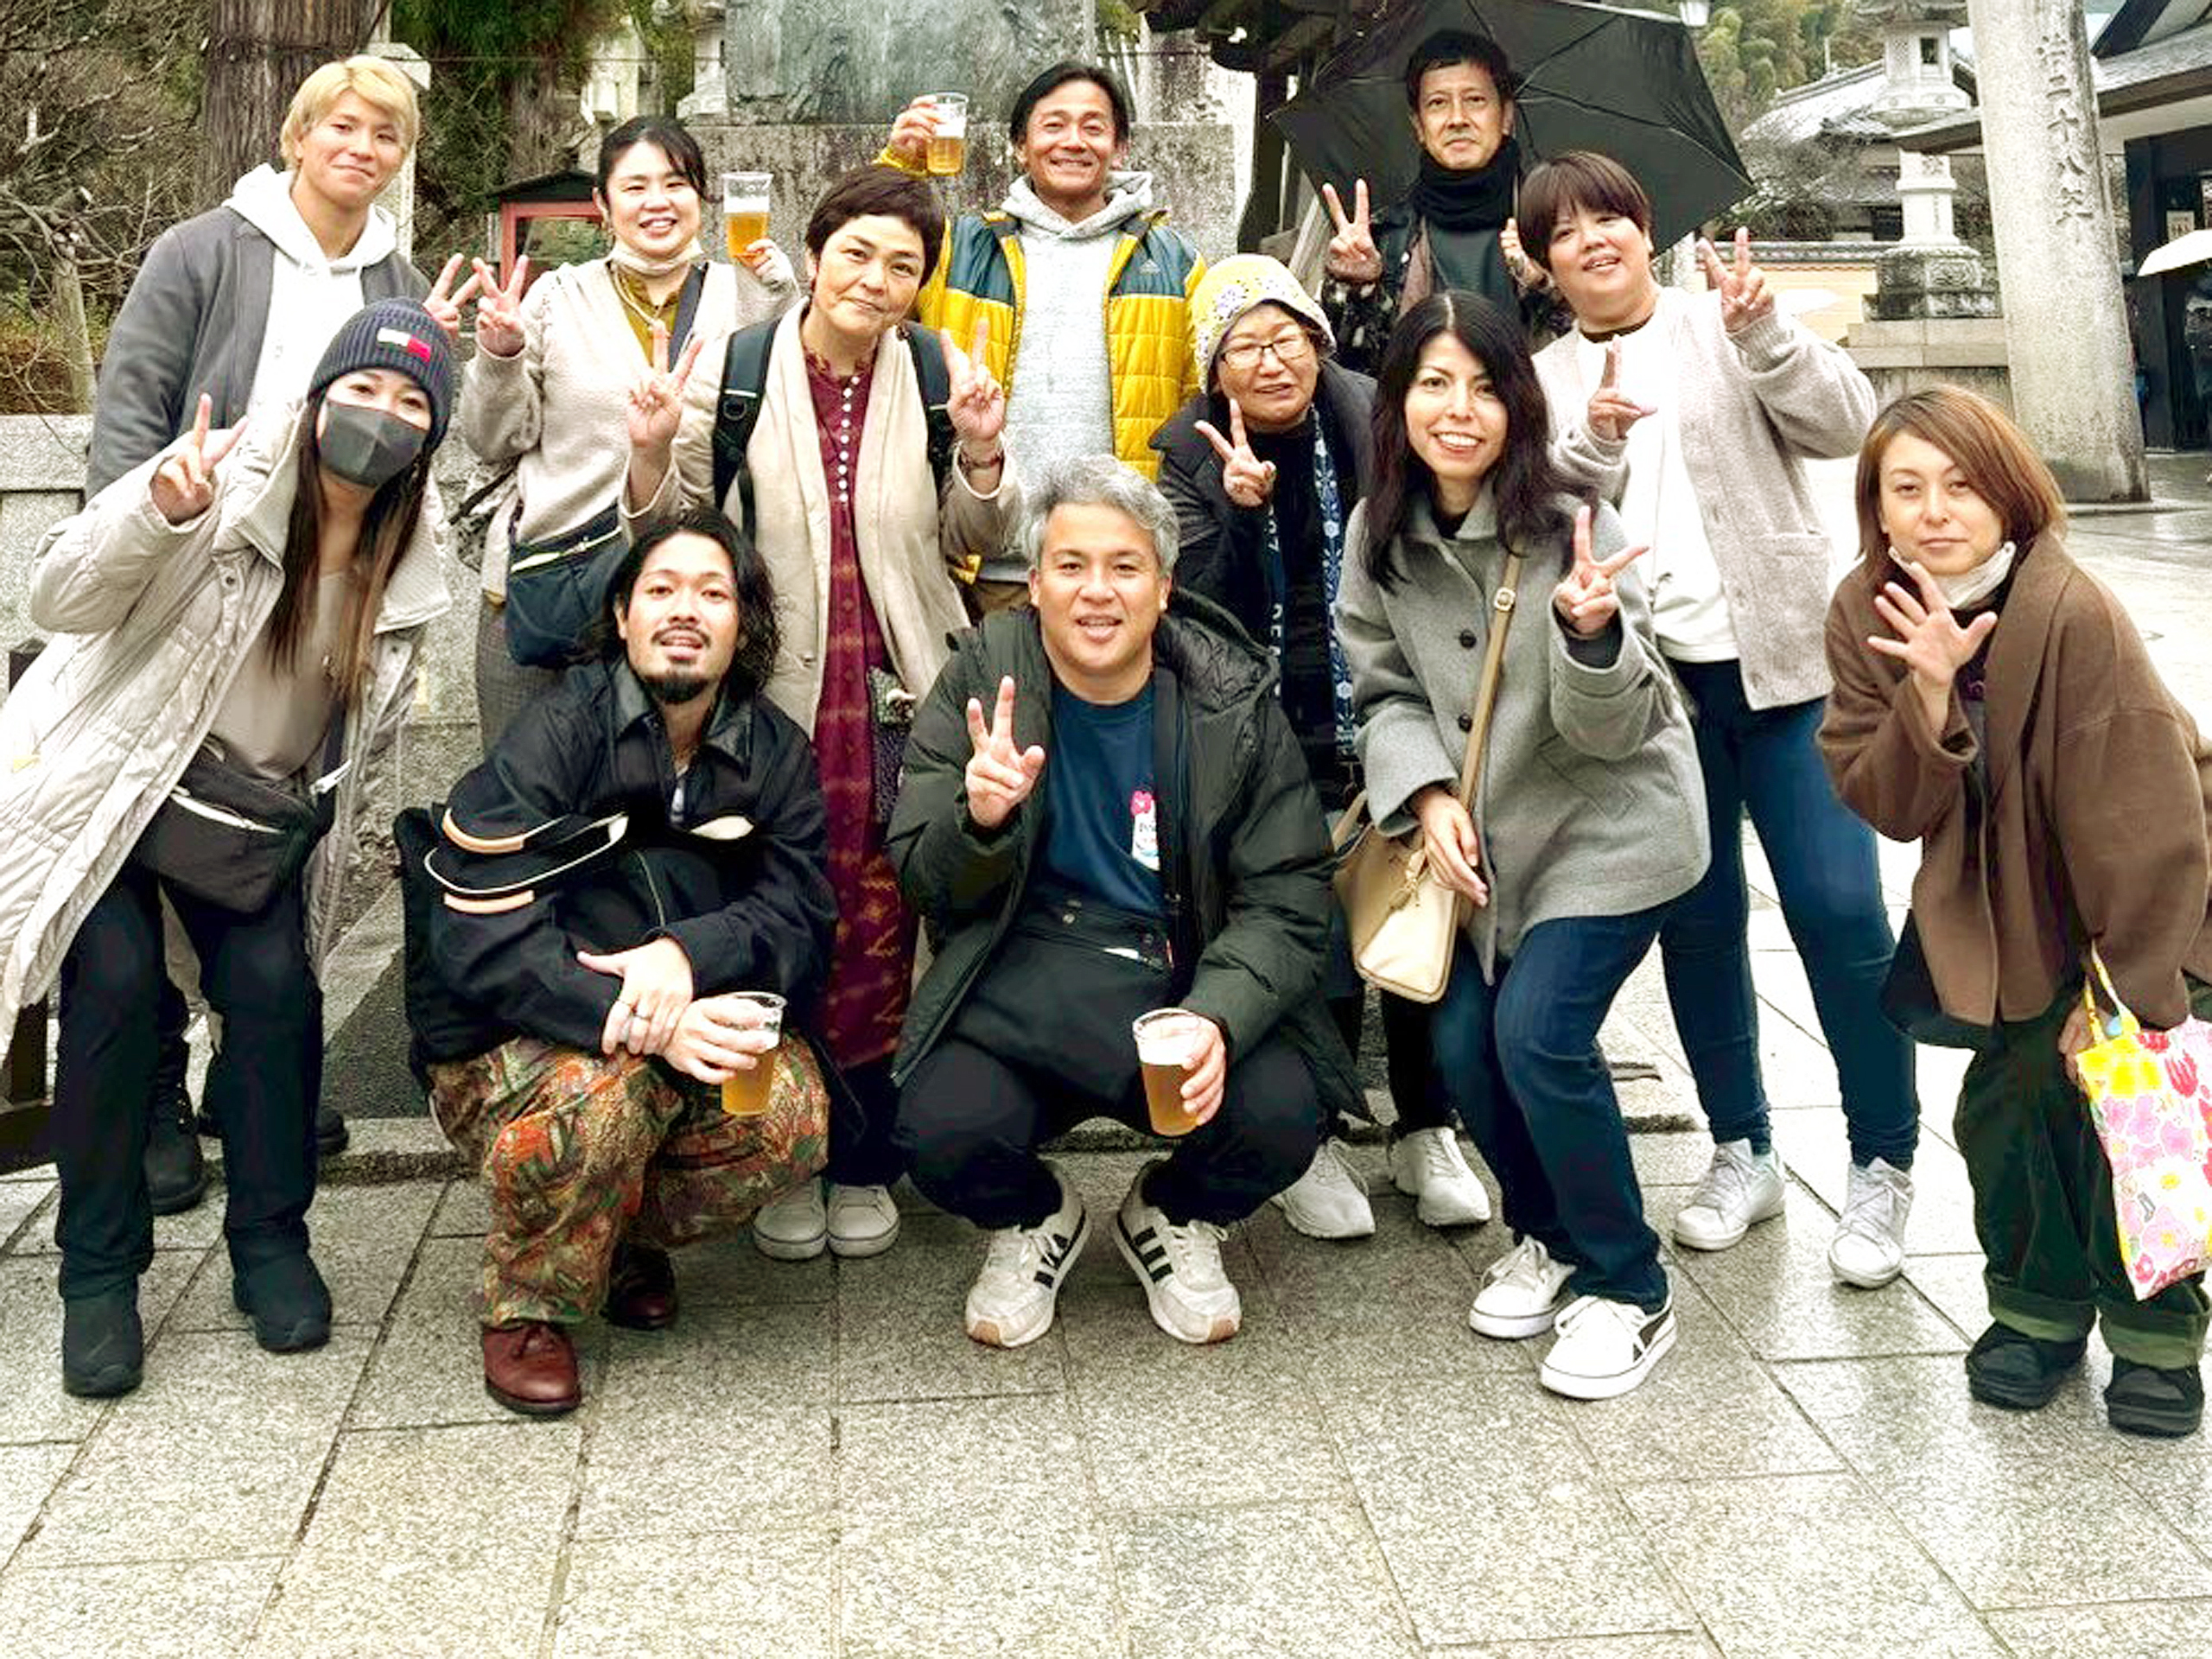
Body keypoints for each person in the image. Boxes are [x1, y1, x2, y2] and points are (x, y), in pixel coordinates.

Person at [0, 300, 455, 1397]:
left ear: (429, 438)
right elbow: (55, 596)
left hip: (245, 819)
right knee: (113, 989)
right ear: (318, 398)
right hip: (120, 793)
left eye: (410, 403)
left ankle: (269, 1243)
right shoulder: (219, 488)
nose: (381, 416)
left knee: (276, 995)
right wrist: (154, 512)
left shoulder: (404, 564)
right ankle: (99, 1272)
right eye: (362, 389)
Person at [1520, 152, 1916, 1288]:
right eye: (1565, 231)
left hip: (1787, 671)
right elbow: (1539, 519)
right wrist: (1593, 442)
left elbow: (1850, 427)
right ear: (1542, 263)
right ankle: (1743, 1147)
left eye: (1610, 216)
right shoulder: (1540, 378)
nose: (1593, 240)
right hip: (1656, 697)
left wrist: (1768, 339)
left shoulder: (1725, 318)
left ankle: (1883, 1161)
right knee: (1697, 925)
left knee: (1841, 910)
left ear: (1644, 226)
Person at [623, 164, 1013, 1262]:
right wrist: (650, 448)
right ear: (814, 251)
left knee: (889, 925)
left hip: (898, 694)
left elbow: (969, 534)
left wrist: (983, 451)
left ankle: (866, 1156)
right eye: (857, 253)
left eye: (902, 266)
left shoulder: (932, 373)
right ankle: (778, 1152)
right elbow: (672, 534)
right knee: (776, 908)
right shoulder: (740, 367)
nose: (875, 280)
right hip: (774, 699)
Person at [889, 455, 1360, 1348]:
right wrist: (978, 821)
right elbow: (923, 876)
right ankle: (1035, 1216)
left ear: (1165, 587)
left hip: (1180, 977)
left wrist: (1217, 1016)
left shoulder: (1229, 699)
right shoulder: (984, 680)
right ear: (1034, 583)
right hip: (1026, 983)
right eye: (1070, 565)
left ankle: (1173, 1213)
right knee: (937, 1128)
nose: (1096, 592)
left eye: (1124, 567)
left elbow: (1288, 890)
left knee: (1283, 1111)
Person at [1820, 386, 2212, 1439]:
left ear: (2007, 494)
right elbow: (1887, 804)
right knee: (2008, 1112)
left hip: (2134, 900)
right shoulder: (1868, 609)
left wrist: (2123, 993)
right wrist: (1928, 695)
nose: (1934, 511)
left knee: (2127, 1116)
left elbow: (2148, 817)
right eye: (1906, 488)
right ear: (1875, 505)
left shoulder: (2071, 610)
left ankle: (2157, 1340)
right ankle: (2036, 1314)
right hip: (1998, 906)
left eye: (1960, 485)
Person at [1337, 292, 1708, 1399]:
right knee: (1461, 1047)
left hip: (1610, 826)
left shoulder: (1574, 521)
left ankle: (1629, 1284)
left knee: (1539, 1035)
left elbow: (1625, 728)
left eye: (1484, 386)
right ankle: (1548, 1233)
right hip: (1476, 840)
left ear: (1518, 404)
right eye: (1432, 385)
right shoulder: (1377, 534)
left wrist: (1593, 636)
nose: (1458, 410)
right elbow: (1384, 689)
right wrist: (1425, 794)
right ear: (1398, 403)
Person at [85, 54, 429, 1209]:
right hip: (191, 587)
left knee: (289, 835)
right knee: (160, 839)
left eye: (385, 134)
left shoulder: (398, 277)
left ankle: (252, 1068)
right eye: (343, 125)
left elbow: (417, 439)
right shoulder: (202, 251)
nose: (362, 148)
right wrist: (136, 541)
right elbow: (132, 408)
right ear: (297, 134)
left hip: (321, 602)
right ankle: (154, 1089)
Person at [404, 510, 837, 1417]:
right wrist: (637, 1016)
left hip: (678, 1017)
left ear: (744, 625)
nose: (685, 611)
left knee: (790, 1112)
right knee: (606, 1095)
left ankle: (610, 1239)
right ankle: (527, 1306)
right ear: (623, 614)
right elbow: (479, 930)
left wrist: (688, 954)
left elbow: (802, 915)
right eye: (662, 589)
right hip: (516, 1039)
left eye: (713, 594)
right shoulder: (557, 733)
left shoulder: (772, 753)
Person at [1152, 253, 1489, 1241]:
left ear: (1318, 343)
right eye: (1244, 346)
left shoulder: (1378, 420)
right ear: (1214, 369)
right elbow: (1191, 614)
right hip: (1272, 732)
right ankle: (1323, 1133)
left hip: (1394, 707)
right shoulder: (1187, 452)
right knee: (1315, 938)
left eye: (1287, 337)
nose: (1271, 361)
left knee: (1420, 917)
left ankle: (1428, 1127)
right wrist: (1238, 509)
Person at [459, 113, 797, 748]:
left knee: (668, 787)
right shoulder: (557, 296)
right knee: (524, 781)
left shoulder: (746, 295)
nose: (657, 202)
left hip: (689, 593)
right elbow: (491, 440)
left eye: (675, 183)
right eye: (635, 186)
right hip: (556, 582)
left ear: (702, 196)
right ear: (602, 203)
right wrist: (500, 356)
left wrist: (780, 295)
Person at [882, 60, 1206, 609]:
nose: (1073, 141)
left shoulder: (1175, 262)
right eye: (1053, 125)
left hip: (1114, 574)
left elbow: (1202, 402)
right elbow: (865, 282)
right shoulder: (959, 249)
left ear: (1120, 148)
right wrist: (899, 169)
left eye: (1093, 127)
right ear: (1019, 146)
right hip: (984, 570)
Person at [1318, 29, 1549, 378]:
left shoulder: (1550, 220)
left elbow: (1592, 339)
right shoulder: (1388, 234)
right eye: (1438, 103)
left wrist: (1544, 284)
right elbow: (1349, 371)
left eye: (1475, 100)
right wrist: (1354, 288)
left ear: (1506, 116)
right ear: (1418, 125)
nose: (1457, 119)